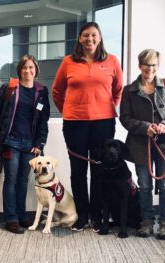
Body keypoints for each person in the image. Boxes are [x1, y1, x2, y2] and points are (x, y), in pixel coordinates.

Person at [52, 22, 123, 232]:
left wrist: (106, 108)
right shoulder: (68, 62)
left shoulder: (112, 61)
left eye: (93, 35)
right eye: (85, 35)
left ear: (99, 38)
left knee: (100, 169)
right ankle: (82, 215)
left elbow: (118, 90)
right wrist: (69, 111)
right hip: (75, 124)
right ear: (80, 39)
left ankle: (97, 215)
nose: (89, 39)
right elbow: (57, 91)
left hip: (103, 123)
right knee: (78, 170)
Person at [0, 54, 50, 234]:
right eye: (24, 67)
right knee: (11, 180)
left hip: (30, 144)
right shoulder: (10, 88)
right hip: (11, 142)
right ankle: (11, 218)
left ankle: (22, 216)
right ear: (19, 71)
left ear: (35, 70)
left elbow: (43, 120)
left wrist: (40, 142)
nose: (27, 71)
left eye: (31, 67)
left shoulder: (41, 91)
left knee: (23, 181)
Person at [120, 49, 165, 239]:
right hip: (140, 145)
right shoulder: (129, 90)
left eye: (153, 64)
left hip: (163, 144)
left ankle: (163, 222)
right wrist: (145, 127)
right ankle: (146, 221)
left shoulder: (164, 86)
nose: (150, 68)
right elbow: (125, 118)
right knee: (144, 184)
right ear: (140, 66)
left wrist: (163, 125)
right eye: (146, 64)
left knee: (164, 185)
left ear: (158, 66)